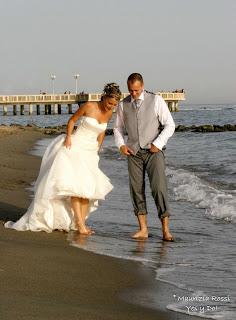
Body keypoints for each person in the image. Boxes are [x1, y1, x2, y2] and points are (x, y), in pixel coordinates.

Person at [5, 83, 122, 235]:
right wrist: (68, 137)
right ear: (104, 97)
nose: (111, 107)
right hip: (75, 146)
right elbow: (72, 120)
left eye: (114, 105)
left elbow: (101, 134)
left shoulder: (109, 113)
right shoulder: (88, 106)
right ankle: (80, 225)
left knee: (88, 190)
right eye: (110, 103)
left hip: (90, 152)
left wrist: (97, 150)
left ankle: (80, 223)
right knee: (75, 187)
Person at [114, 73, 175, 241]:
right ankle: (143, 229)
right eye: (130, 90)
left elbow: (170, 125)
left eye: (136, 90)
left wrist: (159, 143)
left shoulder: (156, 100)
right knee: (136, 190)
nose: (133, 94)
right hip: (133, 152)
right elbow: (118, 128)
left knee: (159, 188)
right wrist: (121, 145)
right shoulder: (122, 105)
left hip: (153, 152)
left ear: (142, 86)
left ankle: (165, 230)